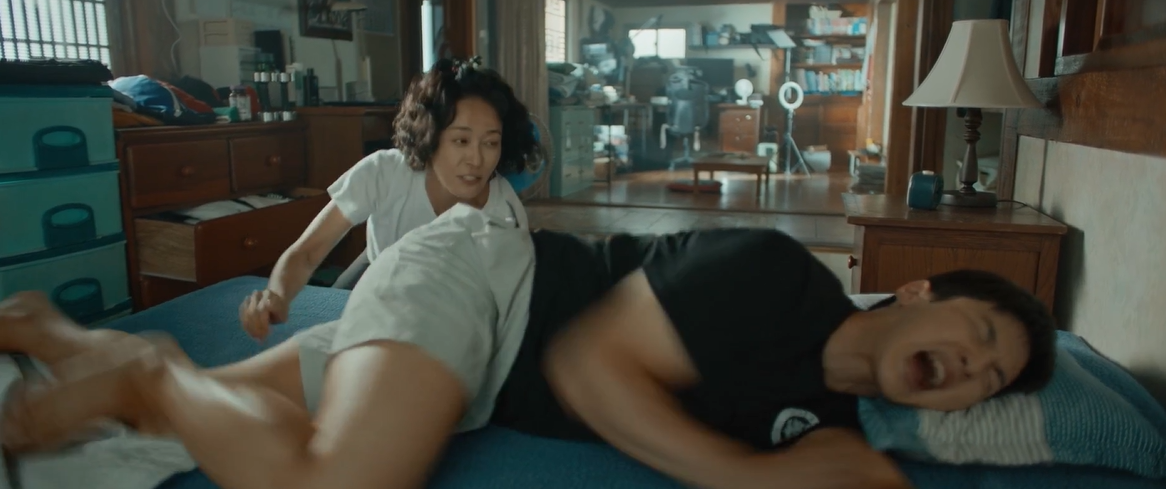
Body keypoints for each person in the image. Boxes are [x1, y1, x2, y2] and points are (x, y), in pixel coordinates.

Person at [0, 206, 1056, 489]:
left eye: (990, 378)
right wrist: (740, 477)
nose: (971, 370)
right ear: (915, 290)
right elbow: (589, 371)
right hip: (487, 288)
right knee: (335, 483)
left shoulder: (826, 425)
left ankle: (60, 339)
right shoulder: (776, 276)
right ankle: (148, 364)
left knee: (204, 423)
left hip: (464, 373)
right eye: (975, 334)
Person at [238, 56, 540, 342]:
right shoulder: (384, 172)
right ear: (430, 136)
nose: (476, 159)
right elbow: (308, 251)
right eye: (461, 140)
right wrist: (276, 296)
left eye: (491, 143)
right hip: (380, 265)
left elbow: (509, 307)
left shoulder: (504, 211)